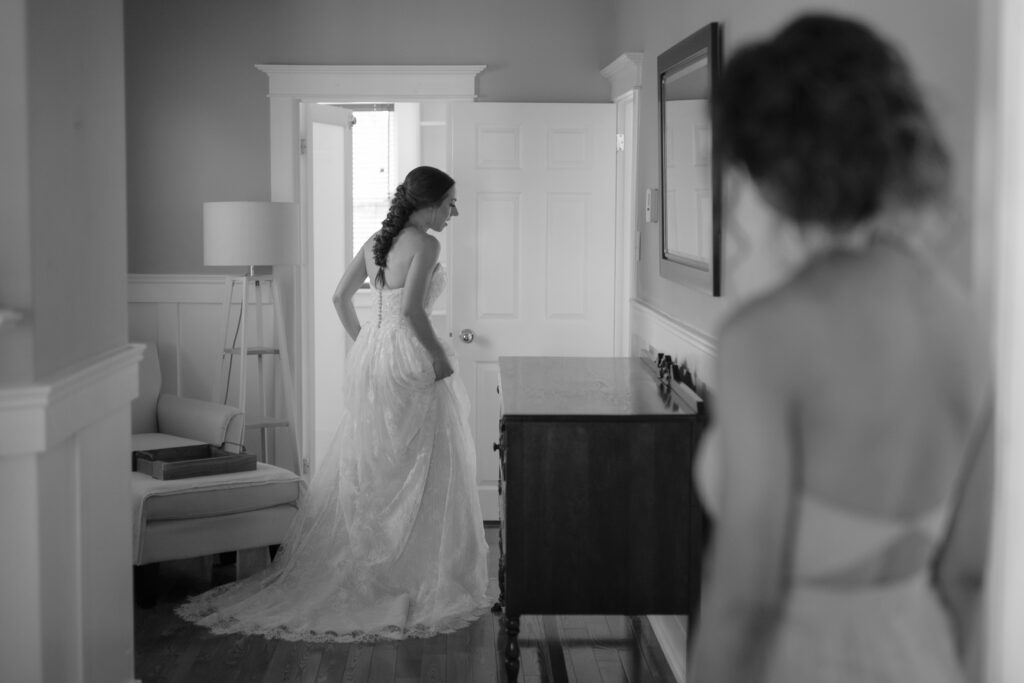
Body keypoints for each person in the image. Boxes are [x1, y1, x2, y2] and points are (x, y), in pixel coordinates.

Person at [689, 14, 991, 682]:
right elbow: (968, 576)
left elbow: (745, 603)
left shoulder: (767, 337)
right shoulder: (963, 320)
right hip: (924, 655)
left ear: (768, 162)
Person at [176, 166, 491, 642]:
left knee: (376, 460)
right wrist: (437, 358)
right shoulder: (426, 245)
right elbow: (411, 311)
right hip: (410, 356)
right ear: (428, 204)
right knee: (428, 461)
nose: (454, 212)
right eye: (450, 203)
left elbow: (340, 297)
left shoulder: (376, 243)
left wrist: (368, 340)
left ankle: (379, 568)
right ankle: (416, 574)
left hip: (375, 356)